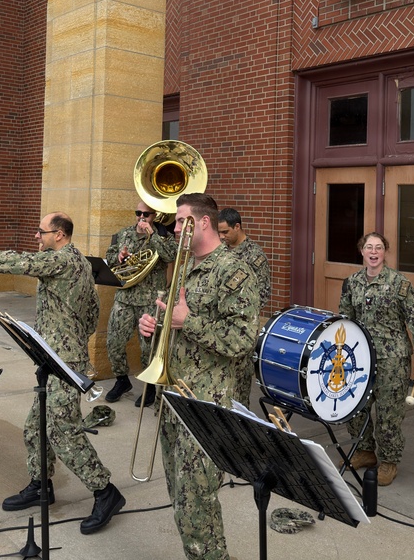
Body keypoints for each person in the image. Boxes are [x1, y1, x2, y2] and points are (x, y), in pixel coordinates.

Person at [0, 212, 125, 535]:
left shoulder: (62, 260)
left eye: (41, 232)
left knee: (62, 430)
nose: (36, 237)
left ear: (59, 234)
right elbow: (92, 311)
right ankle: (41, 484)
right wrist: (72, 336)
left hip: (64, 361)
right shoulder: (80, 262)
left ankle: (105, 491)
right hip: (54, 355)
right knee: (35, 426)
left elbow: (19, 263)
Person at [138, 193, 260, 560]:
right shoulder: (185, 265)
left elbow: (242, 341)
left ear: (203, 222)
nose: (174, 228)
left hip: (205, 401)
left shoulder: (234, 271)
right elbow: (173, 322)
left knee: (197, 498)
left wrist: (187, 321)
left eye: (180, 221)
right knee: (180, 495)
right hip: (173, 394)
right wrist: (153, 326)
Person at [338, 231, 414, 486]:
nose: (374, 252)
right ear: (362, 251)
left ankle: (389, 461)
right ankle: (365, 451)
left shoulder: (399, 283)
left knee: (389, 413)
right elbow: (344, 319)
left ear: (385, 252)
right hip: (360, 357)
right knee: (356, 407)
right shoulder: (352, 283)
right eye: (369, 247)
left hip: (393, 360)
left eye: (378, 247)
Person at [103, 201, 178, 407]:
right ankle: (121, 380)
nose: (141, 217)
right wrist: (119, 257)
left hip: (150, 300)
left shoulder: (164, 236)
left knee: (148, 348)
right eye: (138, 213)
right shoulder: (123, 234)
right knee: (114, 342)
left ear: (155, 215)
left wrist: (152, 235)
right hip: (124, 298)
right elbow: (109, 257)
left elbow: (171, 256)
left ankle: (150, 387)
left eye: (146, 214)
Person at [217, 207, 272, 405]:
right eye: (219, 232)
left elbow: (264, 292)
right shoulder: (220, 251)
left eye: (225, 232)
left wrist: (240, 312)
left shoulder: (254, 255)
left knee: (239, 387)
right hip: (219, 328)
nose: (221, 236)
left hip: (242, 329)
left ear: (237, 227)